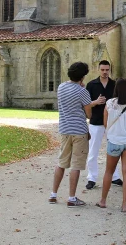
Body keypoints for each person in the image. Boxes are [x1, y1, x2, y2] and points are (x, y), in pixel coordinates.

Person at [48, 62, 92, 207]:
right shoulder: (82, 91)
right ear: (83, 76)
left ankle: (53, 194)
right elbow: (88, 113)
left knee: (61, 162)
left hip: (65, 129)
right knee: (76, 165)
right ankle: (72, 198)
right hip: (79, 131)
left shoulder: (61, 87)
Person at [96, 78, 126, 212]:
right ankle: (125, 204)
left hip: (114, 141)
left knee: (109, 171)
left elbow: (105, 123)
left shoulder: (109, 104)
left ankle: (103, 201)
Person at [85, 60, 122, 189]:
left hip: (112, 123)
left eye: (107, 70)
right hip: (95, 122)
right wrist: (95, 102)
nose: (105, 72)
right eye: (103, 70)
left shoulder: (115, 84)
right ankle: (91, 178)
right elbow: (86, 104)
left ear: (110, 70)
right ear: (98, 69)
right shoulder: (91, 85)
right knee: (93, 151)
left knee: (114, 151)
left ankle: (115, 176)